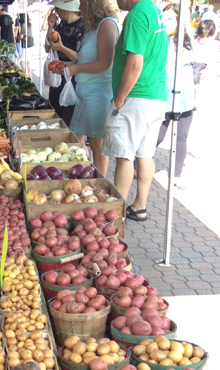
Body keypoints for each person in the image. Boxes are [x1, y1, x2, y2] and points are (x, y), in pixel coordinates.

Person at [102, 0, 168, 221]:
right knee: (145, 154)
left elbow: (135, 62)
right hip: (156, 96)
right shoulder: (155, 11)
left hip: (137, 97)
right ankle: (139, 207)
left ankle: (116, 216)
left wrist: (120, 98)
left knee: (124, 155)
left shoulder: (138, 14)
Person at [55, 0, 120, 176]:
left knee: (96, 142)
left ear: (92, 6)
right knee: (78, 137)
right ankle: (88, 173)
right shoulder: (94, 28)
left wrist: (75, 69)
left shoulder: (107, 25)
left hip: (98, 94)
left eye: (82, 5)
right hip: (86, 94)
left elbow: (105, 64)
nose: (80, 9)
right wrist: (68, 66)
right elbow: (86, 59)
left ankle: (99, 179)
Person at [156, 3, 195, 188]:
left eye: (171, 18)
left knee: (181, 137)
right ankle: (137, 164)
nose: (166, 22)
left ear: (180, 22)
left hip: (185, 99)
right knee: (157, 135)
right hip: (165, 98)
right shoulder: (160, 40)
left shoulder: (186, 42)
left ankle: (176, 174)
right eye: (163, 17)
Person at [46, 0, 86, 126]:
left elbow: (81, 57)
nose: (55, 11)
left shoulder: (81, 27)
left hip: (72, 77)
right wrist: (50, 27)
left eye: (57, 8)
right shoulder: (61, 25)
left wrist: (61, 48)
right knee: (55, 112)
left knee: (67, 116)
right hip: (58, 75)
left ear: (65, 8)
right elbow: (48, 48)